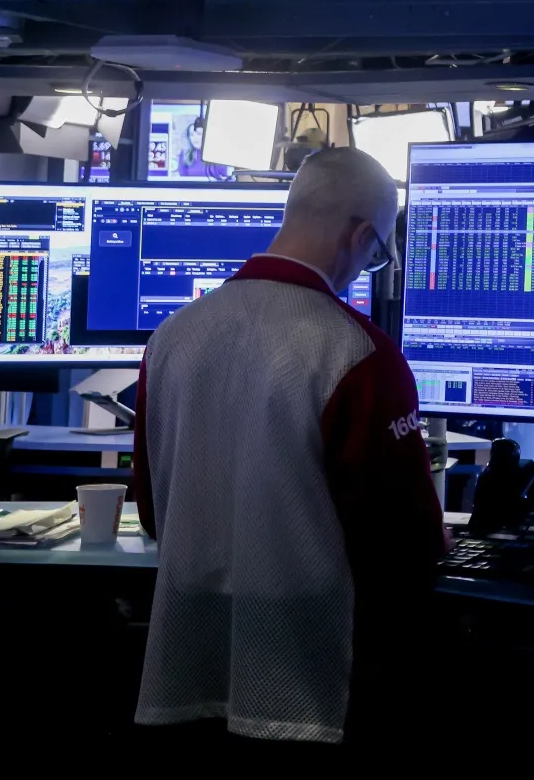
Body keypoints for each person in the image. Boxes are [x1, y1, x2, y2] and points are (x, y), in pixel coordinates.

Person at [132, 147, 443, 751]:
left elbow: (152, 510)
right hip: (312, 679)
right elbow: (401, 541)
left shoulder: (172, 336)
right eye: (377, 254)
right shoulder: (358, 353)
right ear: (360, 236)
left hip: (190, 664)